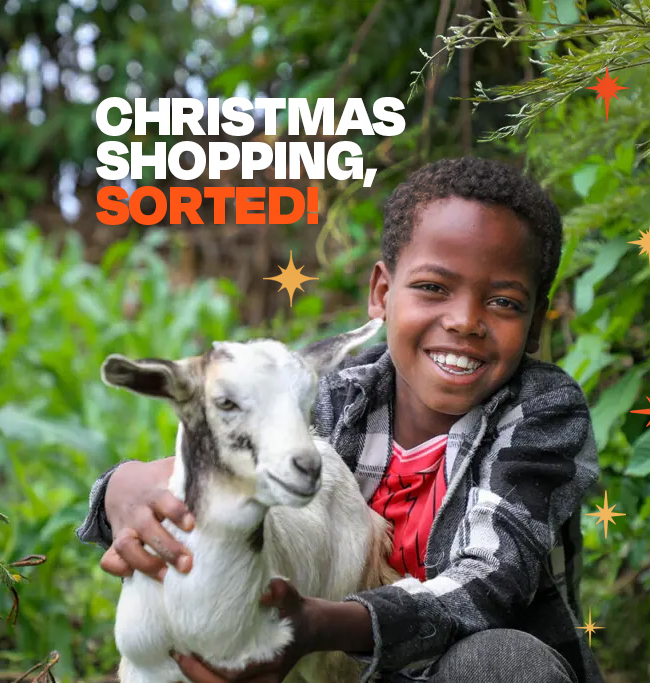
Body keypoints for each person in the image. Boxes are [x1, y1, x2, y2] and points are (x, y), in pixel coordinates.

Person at [76, 157, 604, 683]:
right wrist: (120, 491)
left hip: (451, 669)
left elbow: (489, 583)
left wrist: (315, 626)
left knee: (507, 664)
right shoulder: (334, 398)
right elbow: (238, 474)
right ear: (381, 293)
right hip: (325, 671)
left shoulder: (541, 413)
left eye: (503, 302)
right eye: (434, 288)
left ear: (536, 324)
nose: (465, 321)